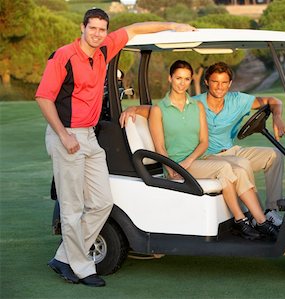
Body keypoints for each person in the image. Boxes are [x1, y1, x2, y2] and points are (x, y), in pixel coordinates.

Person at [35, 8, 196, 287]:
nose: (97, 33)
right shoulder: (64, 56)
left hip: (89, 136)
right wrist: (63, 135)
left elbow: (135, 28)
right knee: (72, 208)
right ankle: (82, 268)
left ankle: (64, 257)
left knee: (101, 203)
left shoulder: (104, 50)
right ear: (83, 27)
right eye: (92, 28)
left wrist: (173, 24)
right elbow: (43, 97)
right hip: (67, 136)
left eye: (102, 29)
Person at [121, 62, 285, 226]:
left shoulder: (238, 100)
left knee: (274, 155)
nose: (219, 87)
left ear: (229, 84)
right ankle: (256, 217)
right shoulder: (195, 103)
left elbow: (273, 100)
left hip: (232, 150)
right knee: (241, 165)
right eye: (215, 82)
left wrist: (277, 117)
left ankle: (270, 211)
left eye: (223, 83)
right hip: (209, 155)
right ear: (206, 82)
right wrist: (134, 108)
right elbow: (160, 110)